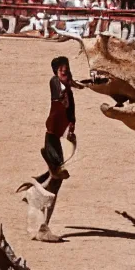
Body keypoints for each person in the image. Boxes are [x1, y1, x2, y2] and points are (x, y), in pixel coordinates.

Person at [28, 55, 82, 242]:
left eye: (67, 71)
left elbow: (70, 112)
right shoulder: (55, 84)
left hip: (58, 138)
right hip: (52, 138)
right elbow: (57, 93)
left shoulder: (68, 90)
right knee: (57, 178)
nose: (66, 74)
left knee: (56, 180)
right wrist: (69, 86)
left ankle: (37, 190)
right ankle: (42, 224)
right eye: (63, 72)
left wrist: (72, 128)